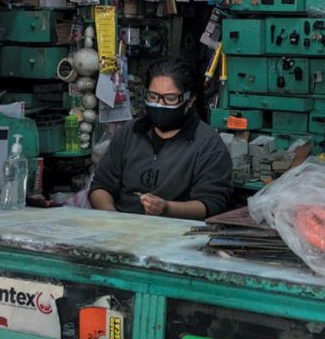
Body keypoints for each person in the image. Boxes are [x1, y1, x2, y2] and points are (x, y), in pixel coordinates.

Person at [89, 58, 232, 220]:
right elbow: (101, 186)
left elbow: (212, 203)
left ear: (190, 101)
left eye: (170, 99)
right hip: (123, 225)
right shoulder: (129, 132)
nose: (159, 104)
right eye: (153, 97)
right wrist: (112, 217)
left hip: (176, 230)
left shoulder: (208, 143)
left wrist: (167, 208)